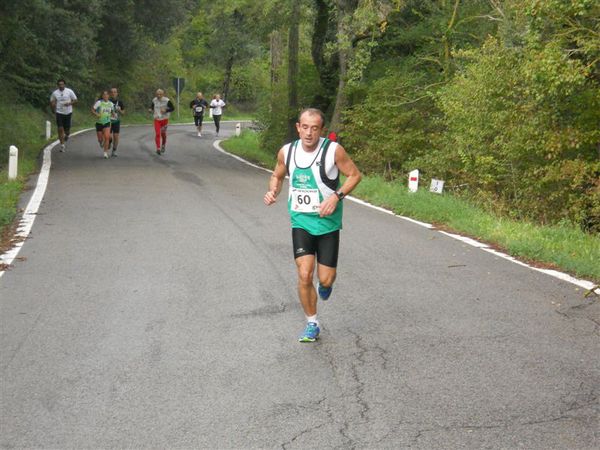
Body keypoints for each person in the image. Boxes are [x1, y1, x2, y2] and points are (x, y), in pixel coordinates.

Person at [263, 108, 362, 342]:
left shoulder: (333, 151)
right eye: (304, 127)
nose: (309, 133)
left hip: (327, 224)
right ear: (298, 127)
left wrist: (336, 197)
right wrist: (272, 191)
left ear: (321, 130)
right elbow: (277, 175)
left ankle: (326, 286)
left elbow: (355, 175)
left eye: (314, 128)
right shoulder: (287, 152)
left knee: (325, 279)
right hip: (301, 222)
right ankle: (312, 323)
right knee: (305, 274)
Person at [50, 79, 78, 152]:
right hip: (59, 112)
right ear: (57, 85)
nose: (61, 86)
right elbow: (52, 101)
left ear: (64, 85)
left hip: (68, 112)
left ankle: (67, 135)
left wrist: (69, 103)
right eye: (59, 84)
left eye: (62, 84)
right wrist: (53, 108)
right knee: (60, 129)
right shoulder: (55, 93)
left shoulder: (69, 91)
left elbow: (75, 100)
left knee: (67, 131)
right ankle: (62, 145)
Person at [149, 89, 175, 155]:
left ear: (163, 94)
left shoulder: (167, 100)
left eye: (160, 94)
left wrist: (166, 110)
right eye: (157, 94)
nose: (159, 95)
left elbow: (172, 108)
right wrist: (150, 109)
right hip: (157, 119)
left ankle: (163, 145)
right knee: (158, 134)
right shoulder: (154, 100)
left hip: (164, 119)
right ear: (156, 94)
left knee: (163, 134)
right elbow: (152, 107)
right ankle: (158, 148)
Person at [92, 90, 115, 159]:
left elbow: (113, 112)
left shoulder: (111, 104)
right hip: (99, 122)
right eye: (104, 95)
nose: (105, 96)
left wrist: (113, 115)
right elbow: (92, 110)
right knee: (100, 140)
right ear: (102, 96)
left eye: (106, 94)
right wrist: (96, 114)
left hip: (107, 122)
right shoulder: (99, 102)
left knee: (107, 137)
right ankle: (101, 142)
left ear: (108, 96)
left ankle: (105, 153)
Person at [109, 87, 125, 157]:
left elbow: (123, 112)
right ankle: (109, 142)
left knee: (116, 137)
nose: (113, 93)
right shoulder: (107, 101)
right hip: (108, 121)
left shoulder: (120, 102)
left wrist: (119, 110)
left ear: (117, 93)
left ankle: (114, 150)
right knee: (108, 137)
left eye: (115, 92)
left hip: (116, 121)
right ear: (110, 94)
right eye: (112, 92)